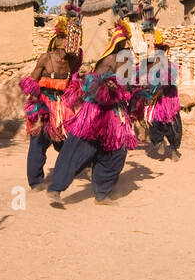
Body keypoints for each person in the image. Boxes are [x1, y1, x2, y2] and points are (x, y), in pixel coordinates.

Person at [47, 19, 139, 206]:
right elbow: (90, 84)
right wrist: (106, 86)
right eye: (125, 45)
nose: (128, 48)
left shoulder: (127, 62)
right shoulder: (109, 60)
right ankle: (56, 188)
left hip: (115, 116)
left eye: (128, 45)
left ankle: (102, 194)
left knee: (116, 153)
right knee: (78, 149)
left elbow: (129, 86)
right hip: (95, 113)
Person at [20, 18, 80, 188]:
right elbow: (31, 82)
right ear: (60, 40)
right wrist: (34, 105)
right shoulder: (45, 58)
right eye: (70, 39)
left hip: (63, 107)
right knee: (38, 143)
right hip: (44, 105)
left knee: (66, 142)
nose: (73, 44)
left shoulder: (72, 61)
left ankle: (64, 173)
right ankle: (35, 182)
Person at [137, 28, 182, 161]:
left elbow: (169, 81)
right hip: (155, 100)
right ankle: (159, 143)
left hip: (168, 100)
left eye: (162, 50)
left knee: (172, 125)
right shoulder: (147, 64)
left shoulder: (170, 66)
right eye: (158, 49)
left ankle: (173, 149)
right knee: (154, 122)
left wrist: (158, 90)